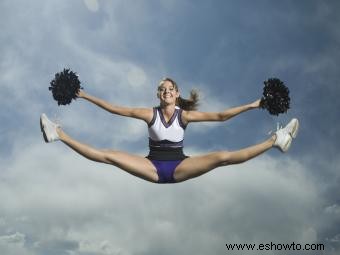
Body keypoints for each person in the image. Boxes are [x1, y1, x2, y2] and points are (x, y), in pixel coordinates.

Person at [40, 78, 299, 184]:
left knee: (222, 156)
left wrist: (255, 104)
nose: (166, 91)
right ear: (158, 94)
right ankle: (58, 134)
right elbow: (113, 109)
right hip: (152, 166)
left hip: (178, 166)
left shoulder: (183, 115)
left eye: (170, 89)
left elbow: (221, 116)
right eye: (162, 88)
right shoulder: (148, 113)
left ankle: (277, 140)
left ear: (176, 94)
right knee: (108, 155)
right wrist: (83, 94)